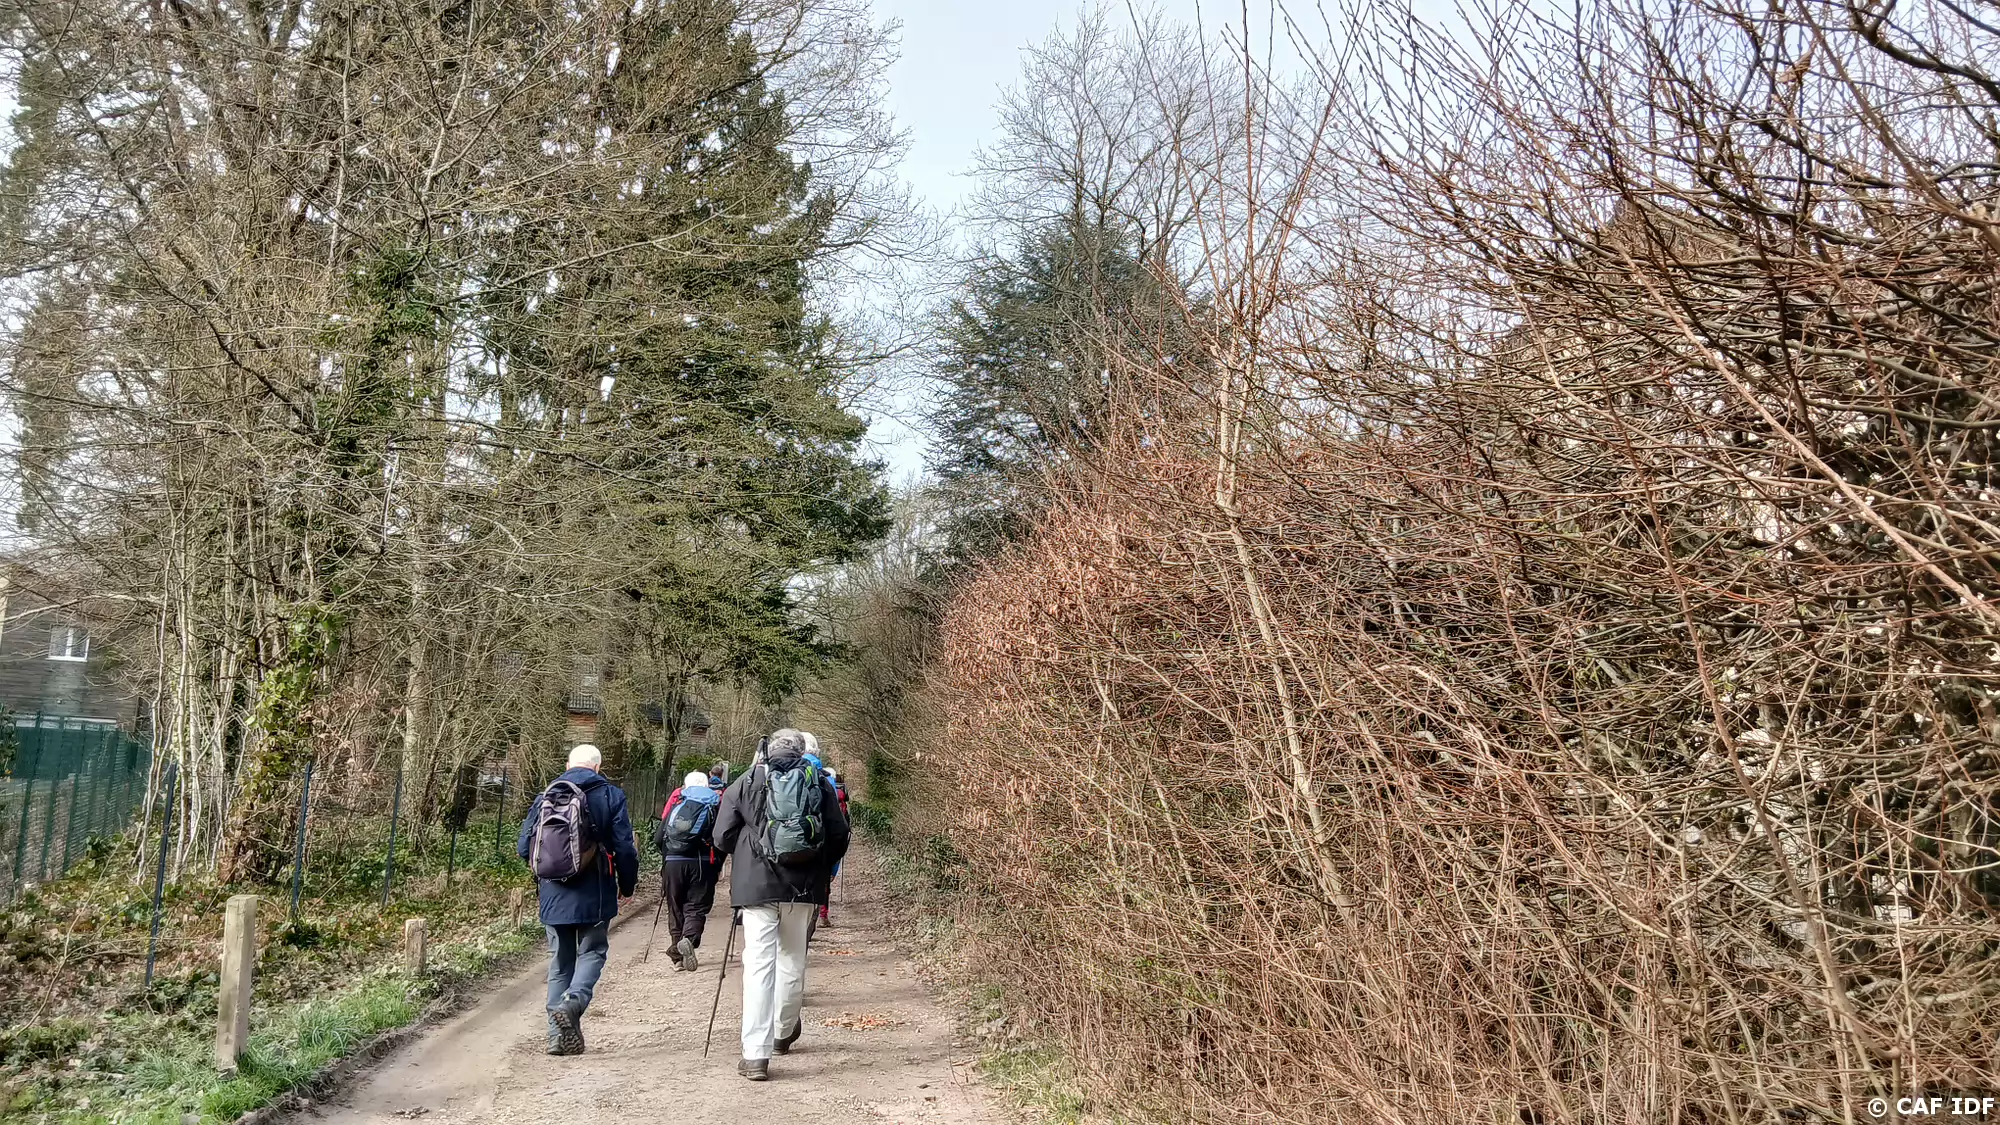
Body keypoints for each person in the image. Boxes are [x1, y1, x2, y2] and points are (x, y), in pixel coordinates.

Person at [714, 728, 849, 1080]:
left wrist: (750, 846)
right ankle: (782, 1032)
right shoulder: (818, 782)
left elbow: (721, 837)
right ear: (802, 751)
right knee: (792, 959)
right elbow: (839, 835)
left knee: (759, 966)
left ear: (767, 750)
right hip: (803, 888)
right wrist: (818, 864)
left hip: (756, 888)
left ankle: (755, 1055)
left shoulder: (747, 781)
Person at [516, 744, 638, 1056]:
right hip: (594, 890)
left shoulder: (546, 796)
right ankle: (574, 1001)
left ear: (568, 765)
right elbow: (625, 847)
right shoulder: (610, 795)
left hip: (552, 891)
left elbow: (523, 847)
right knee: (593, 951)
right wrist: (627, 885)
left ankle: (556, 1038)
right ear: (597, 767)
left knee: (560, 963)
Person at [653, 770, 722, 971]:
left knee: (675, 907)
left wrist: (668, 857)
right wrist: (717, 864)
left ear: (686, 786)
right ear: (706, 786)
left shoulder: (677, 805)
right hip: (701, 863)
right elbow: (721, 839)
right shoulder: (714, 807)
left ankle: (677, 957)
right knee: (696, 906)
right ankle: (689, 939)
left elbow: (658, 838)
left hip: (673, 863)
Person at [817, 766, 850, 929]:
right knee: (825, 878)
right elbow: (843, 827)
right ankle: (823, 915)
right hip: (829, 843)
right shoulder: (839, 795)